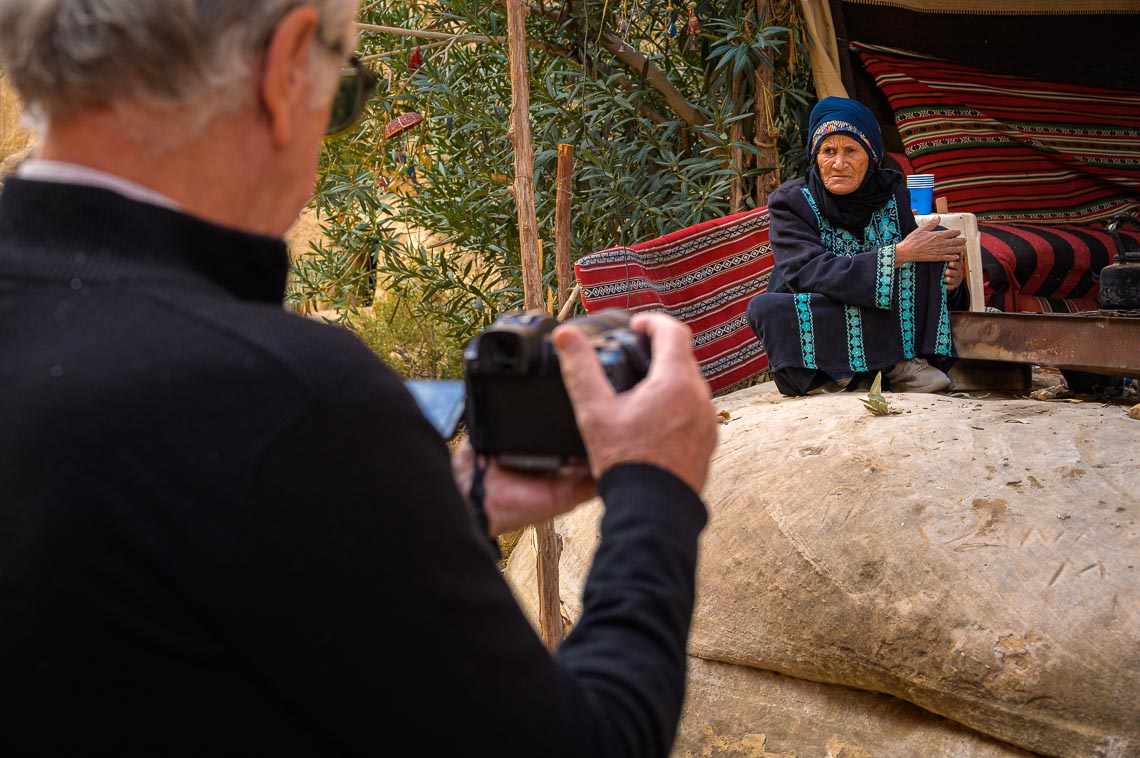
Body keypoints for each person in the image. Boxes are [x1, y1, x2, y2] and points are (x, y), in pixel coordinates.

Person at [0, 2, 719, 756]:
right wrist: (653, 488)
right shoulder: (289, 401)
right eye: (343, 95)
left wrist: (422, 516)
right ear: (287, 68)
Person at [746, 96, 968, 397]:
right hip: (822, 305)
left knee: (932, 238)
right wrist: (898, 255)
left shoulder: (891, 195)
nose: (839, 164)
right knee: (765, 309)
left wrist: (950, 284)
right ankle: (871, 368)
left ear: (871, 156)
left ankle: (900, 365)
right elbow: (806, 271)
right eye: (828, 151)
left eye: (851, 150)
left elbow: (920, 270)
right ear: (815, 156)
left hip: (879, 309)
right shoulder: (792, 202)